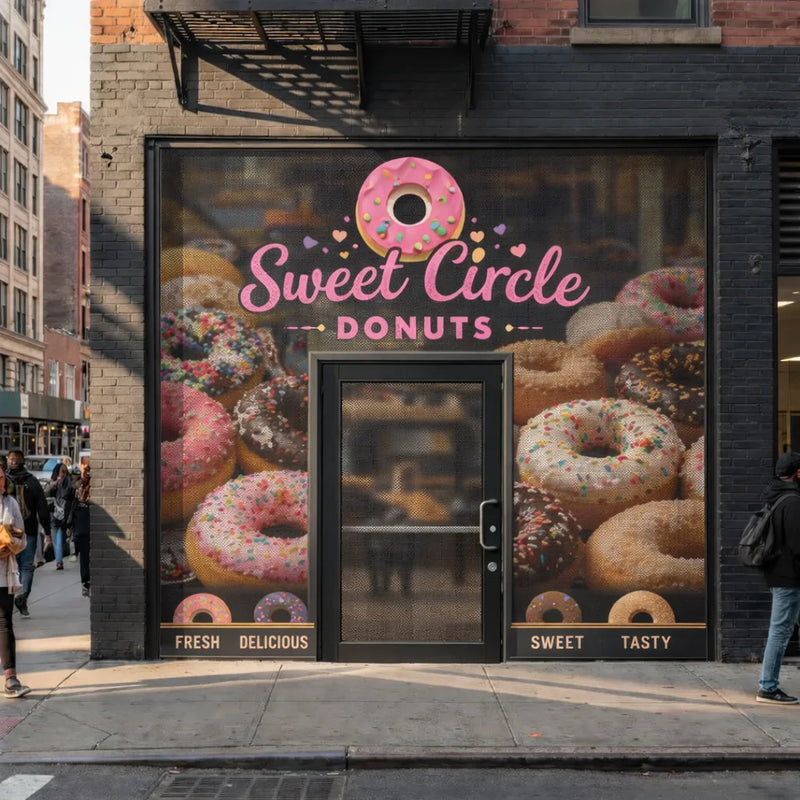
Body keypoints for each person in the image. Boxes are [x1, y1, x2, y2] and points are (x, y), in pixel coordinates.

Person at [756, 451, 800, 704]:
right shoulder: (792, 501)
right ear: (797, 473)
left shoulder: (774, 497)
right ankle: (768, 687)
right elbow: (797, 544)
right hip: (789, 578)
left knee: (781, 630)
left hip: (779, 574)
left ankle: (768, 685)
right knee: (780, 632)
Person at [5, 450, 51, 617]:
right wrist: (47, 531)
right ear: (23, 462)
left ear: (8, 461)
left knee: (9, 566)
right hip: (28, 530)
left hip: (7, 532)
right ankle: (22, 596)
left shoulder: (3, 481)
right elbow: (42, 508)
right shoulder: (32, 481)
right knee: (26, 567)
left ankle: (8, 600)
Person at [0, 463, 31, 697]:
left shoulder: (10, 503)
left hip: (3, 572)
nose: (1, 481)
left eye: (1, 477)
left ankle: (10, 677)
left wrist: (11, 546)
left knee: (5, 623)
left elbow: (22, 537)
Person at [48, 463, 75, 570]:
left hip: (65, 515)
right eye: (61, 471)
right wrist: (54, 485)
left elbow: (68, 495)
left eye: (65, 471)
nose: (63, 474)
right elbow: (46, 494)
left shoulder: (68, 482)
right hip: (54, 514)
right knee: (57, 538)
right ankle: (58, 560)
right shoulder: (52, 482)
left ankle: (59, 560)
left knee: (61, 538)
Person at [72, 462, 91, 597]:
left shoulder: (82, 487)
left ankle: (87, 582)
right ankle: (86, 582)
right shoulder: (81, 486)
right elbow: (73, 505)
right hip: (84, 526)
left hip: (86, 525)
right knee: (85, 556)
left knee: (86, 556)